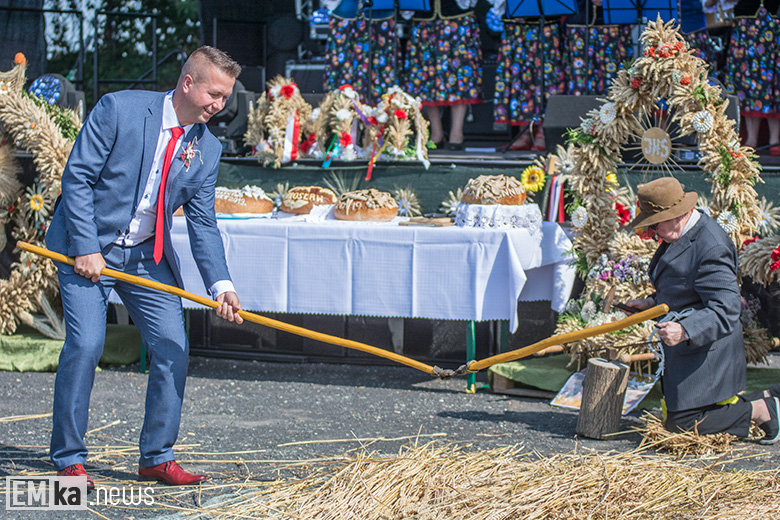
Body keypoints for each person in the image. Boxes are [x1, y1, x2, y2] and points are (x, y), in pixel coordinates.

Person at [45, 46, 245, 488]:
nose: (219, 105)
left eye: (225, 97)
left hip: (144, 256)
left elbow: (203, 223)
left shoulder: (208, 148)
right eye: (214, 94)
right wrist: (86, 247)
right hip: (86, 246)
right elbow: (77, 177)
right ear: (187, 83)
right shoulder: (119, 109)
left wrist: (221, 285)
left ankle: (157, 456)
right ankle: (69, 459)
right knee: (86, 345)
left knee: (173, 346)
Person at [625, 177, 779, 443]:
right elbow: (685, 286)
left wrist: (685, 330)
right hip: (691, 348)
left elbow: (726, 309)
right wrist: (651, 304)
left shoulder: (711, 246)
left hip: (709, 349)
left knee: (682, 424)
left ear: (678, 215)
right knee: (678, 416)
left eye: (655, 224)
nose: (652, 231)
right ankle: (765, 398)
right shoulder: (680, 232)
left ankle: (761, 409)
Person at [403, 0, 483, 150]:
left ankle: (456, 133)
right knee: (427, 78)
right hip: (425, 23)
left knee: (459, 76)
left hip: (457, 21)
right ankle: (436, 133)